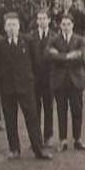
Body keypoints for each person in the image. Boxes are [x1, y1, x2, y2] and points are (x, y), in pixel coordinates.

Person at [0, 13, 52, 161]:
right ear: (5, 28)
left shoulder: (28, 41)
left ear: (19, 26)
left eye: (14, 24)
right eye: (9, 25)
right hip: (8, 88)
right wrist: (3, 81)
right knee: (10, 119)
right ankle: (14, 149)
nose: (12, 28)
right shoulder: (0, 45)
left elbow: (36, 63)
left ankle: (39, 149)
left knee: (32, 118)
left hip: (26, 86)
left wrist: (31, 81)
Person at [48, 15, 85, 152]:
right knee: (61, 111)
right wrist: (67, 56)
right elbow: (50, 56)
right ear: (60, 26)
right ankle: (63, 140)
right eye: (63, 24)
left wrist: (60, 56)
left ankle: (78, 139)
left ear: (72, 25)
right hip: (60, 81)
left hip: (76, 80)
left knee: (77, 110)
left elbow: (81, 58)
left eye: (68, 24)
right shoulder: (54, 39)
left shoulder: (80, 39)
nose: (65, 26)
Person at [29, 9, 56, 146]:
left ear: (49, 20)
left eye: (44, 18)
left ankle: (49, 136)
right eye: (39, 18)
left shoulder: (54, 36)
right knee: (35, 108)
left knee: (48, 107)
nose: (41, 21)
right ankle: (36, 137)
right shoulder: (31, 36)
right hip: (34, 78)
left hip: (49, 77)